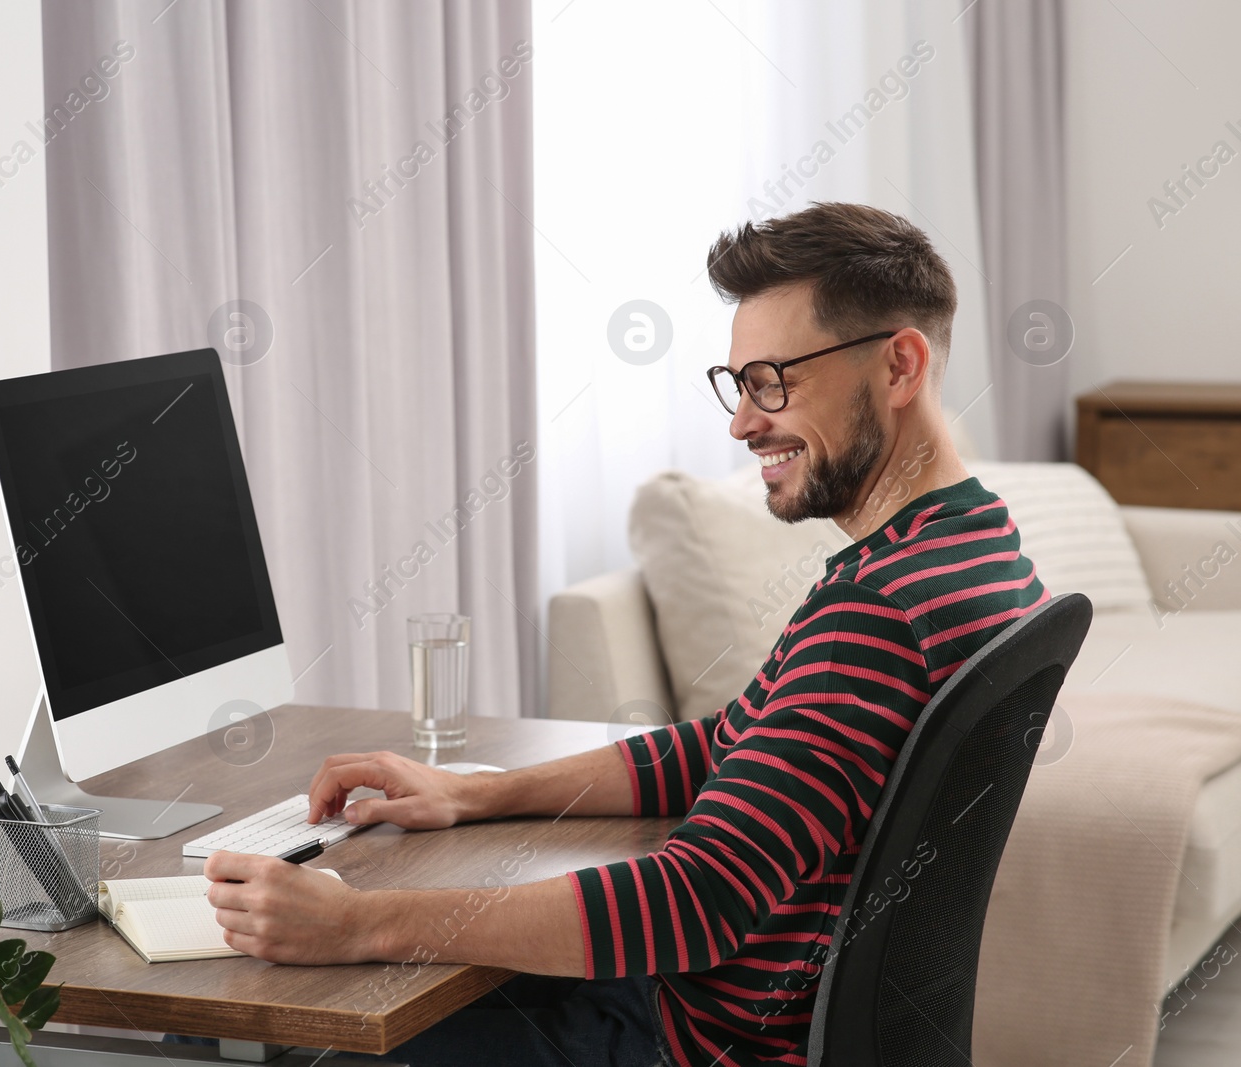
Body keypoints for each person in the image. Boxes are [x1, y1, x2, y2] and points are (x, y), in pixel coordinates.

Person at [202, 202, 1048, 1067]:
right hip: (752, 1023)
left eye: (772, 380)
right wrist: (475, 793)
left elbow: (696, 899)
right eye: (738, 385)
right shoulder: (977, 548)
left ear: (899, 364)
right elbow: (737, 741)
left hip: (694, 1046)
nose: (743, 422)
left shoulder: (874, 612)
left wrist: (356, 922)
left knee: (305, 1028)